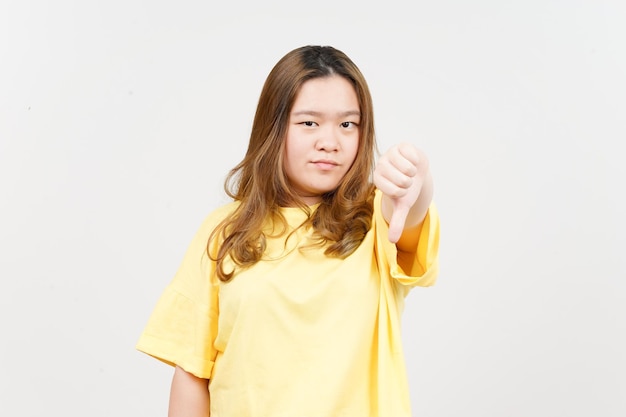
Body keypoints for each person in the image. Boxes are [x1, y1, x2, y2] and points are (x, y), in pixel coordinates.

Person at [136, 45, 440, 417]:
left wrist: (416, 177)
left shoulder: (377, 220)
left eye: (348, 124)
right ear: (274, 127)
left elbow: (407, 213)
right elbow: (192, 372)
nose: (330, 141)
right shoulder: (224, 231)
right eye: (309, 123)